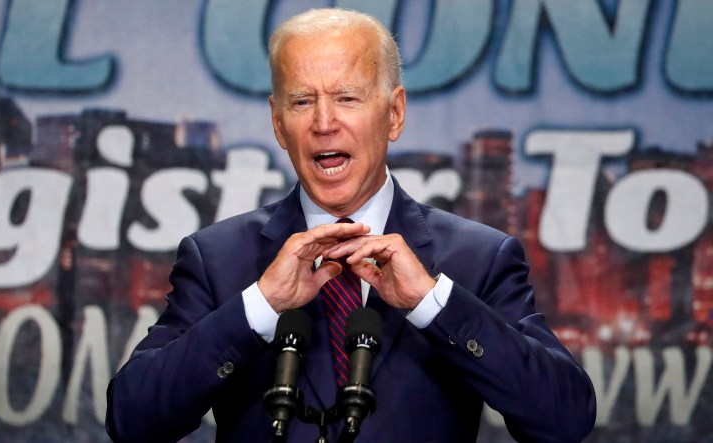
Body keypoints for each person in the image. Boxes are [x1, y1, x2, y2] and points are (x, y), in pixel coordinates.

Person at [106, 8, 596, 443]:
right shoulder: (218, 257)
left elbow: (564, 419)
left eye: (347, 98)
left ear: (394, 113)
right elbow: (132, 421)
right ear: (278, 124)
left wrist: (431, 303)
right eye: (302, 102)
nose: (324, 123)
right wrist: (259, 306)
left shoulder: (477, 258)